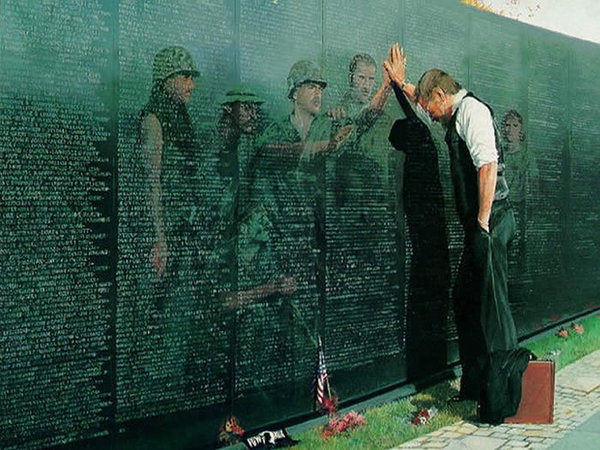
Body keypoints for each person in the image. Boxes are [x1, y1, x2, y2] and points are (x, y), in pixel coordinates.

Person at [384, 43, 531, 423]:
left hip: (492, 222)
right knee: (465, 301)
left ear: (442, 96)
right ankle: (475, 387)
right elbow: (420, 100)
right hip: (481, 226)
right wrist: (400, 83)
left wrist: (482, 225)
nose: (429, 117)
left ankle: (500, 402)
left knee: (492, 311)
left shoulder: (473, 112)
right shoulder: (452, 109)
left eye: (431, 107)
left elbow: (487, 166)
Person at [137, 45, 202, 399]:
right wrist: (159, 237)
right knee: (158, 309)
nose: (191, 84)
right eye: (185, 77)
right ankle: (152, 384)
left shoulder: (180, 117)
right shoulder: (153, 120)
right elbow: (153, 181)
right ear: (167, 80)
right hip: (165, 233)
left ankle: (170, 384)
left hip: (184, 230)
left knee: (180, 310)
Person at [501, 109, 538, 272]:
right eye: (507, 125)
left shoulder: (526, 155)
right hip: (500, 207)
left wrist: (531, 210)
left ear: (521, 130)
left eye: (514, 125)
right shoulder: (500, 153)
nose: (510, 129)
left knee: (518, 245)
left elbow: (534, 182)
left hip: (518, 206)